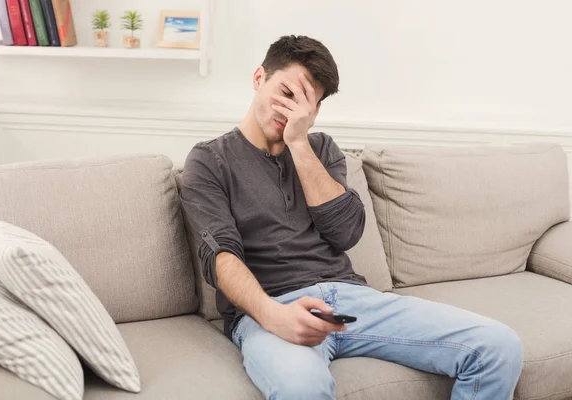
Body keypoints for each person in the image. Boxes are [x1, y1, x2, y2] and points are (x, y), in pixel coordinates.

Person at [180, 34, 524, 400]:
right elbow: (220, 256)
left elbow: (345, 233)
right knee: (302, 386)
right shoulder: (209, 160)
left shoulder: (322, 149)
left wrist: (298, 143)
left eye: (305, 103)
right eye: (285, 92)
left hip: (352, 299)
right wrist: (271, 314)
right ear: (258, 79)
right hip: (273, 308)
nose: (290, 110)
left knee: (498, 346)